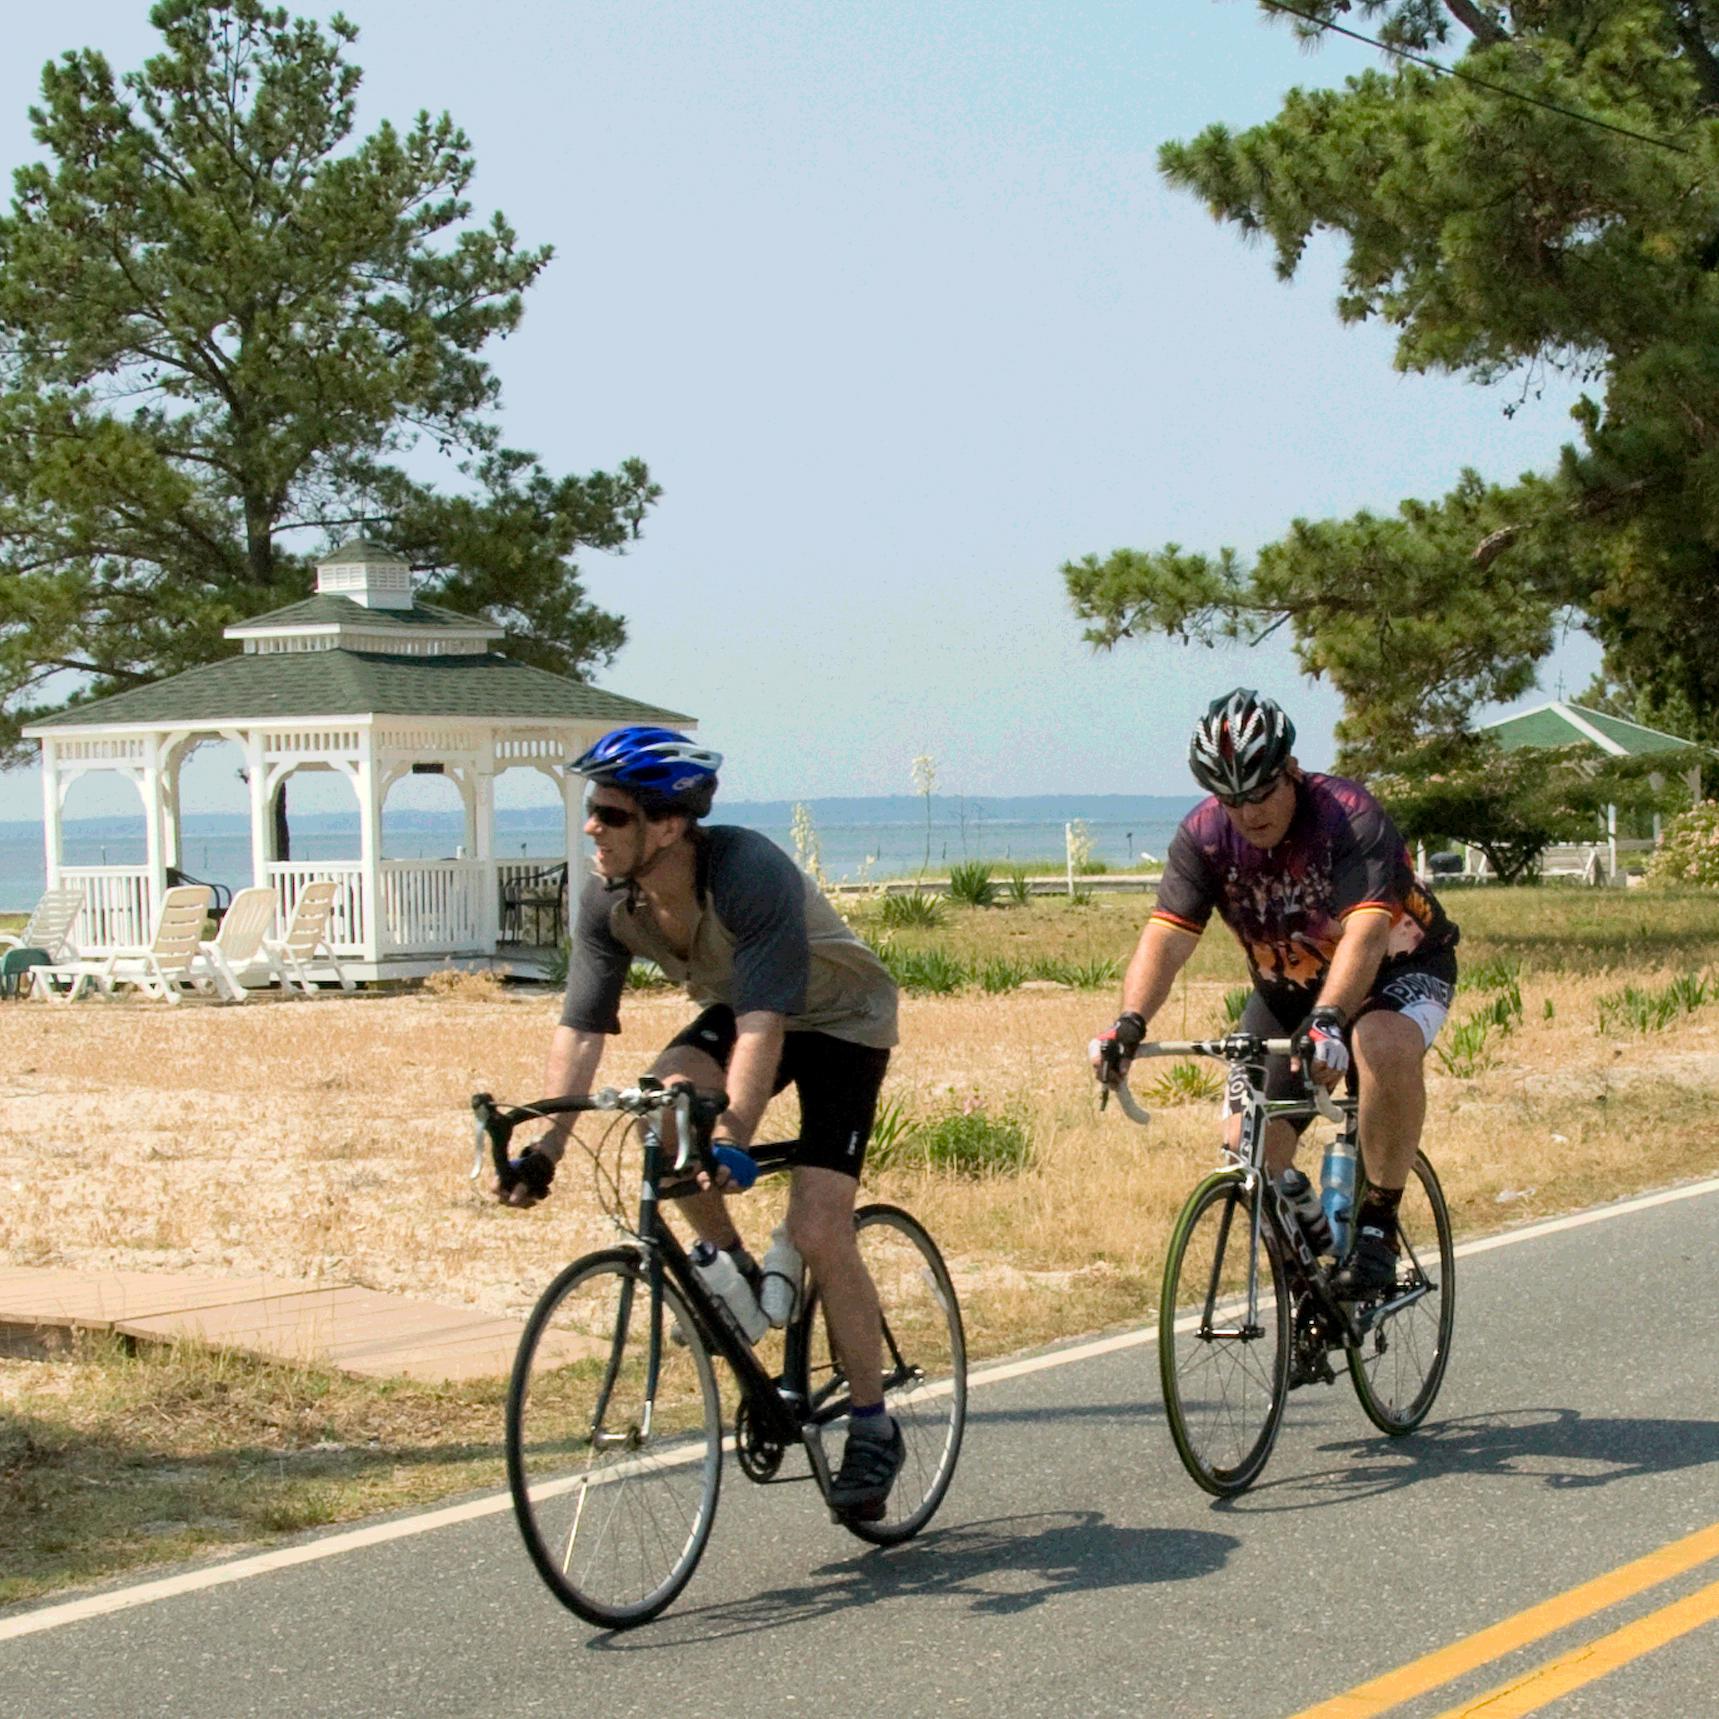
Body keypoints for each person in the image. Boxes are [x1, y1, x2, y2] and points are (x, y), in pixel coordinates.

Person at [496, 725, 905, 1518]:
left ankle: (870, 1422)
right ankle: (734, 1267)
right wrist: (546, 1144)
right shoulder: (605, 897)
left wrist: (734, 1135)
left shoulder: (745, 871)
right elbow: (582, 1027)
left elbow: (763, 1024)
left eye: (611, 815)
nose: (592, 827)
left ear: (669, 824)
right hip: (750, 1011)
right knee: (661, 1112)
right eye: (592, 810)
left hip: (843, 1021)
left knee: (821, 1227)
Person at [1093, 688, 1460, 1294]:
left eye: (1261, 792)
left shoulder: (1349, 815)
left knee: (1379, 1043)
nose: (1248, 812)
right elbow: (1166, 938)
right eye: (1230, 798)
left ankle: (1376, 1228)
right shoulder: (1205, 836)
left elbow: (1366, 936)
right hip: (1288, 990)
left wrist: (1329, 1021)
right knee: (1246, 1147)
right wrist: (1129, 1023)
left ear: (1291, 769)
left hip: (1395, 971)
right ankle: (1310, 1283)